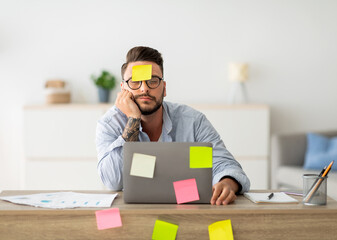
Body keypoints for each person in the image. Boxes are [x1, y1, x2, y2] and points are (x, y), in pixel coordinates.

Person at [96, 46, 250, 205]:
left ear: (164, 88)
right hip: (133, 215)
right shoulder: (110, 124)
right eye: (135, 82)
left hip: (186, 210)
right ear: (123, 89)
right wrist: (133, 120)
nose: (144, 88)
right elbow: (112, 181)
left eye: (152, 81)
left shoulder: (192, 121)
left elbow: (225, 165)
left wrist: (226, 183)